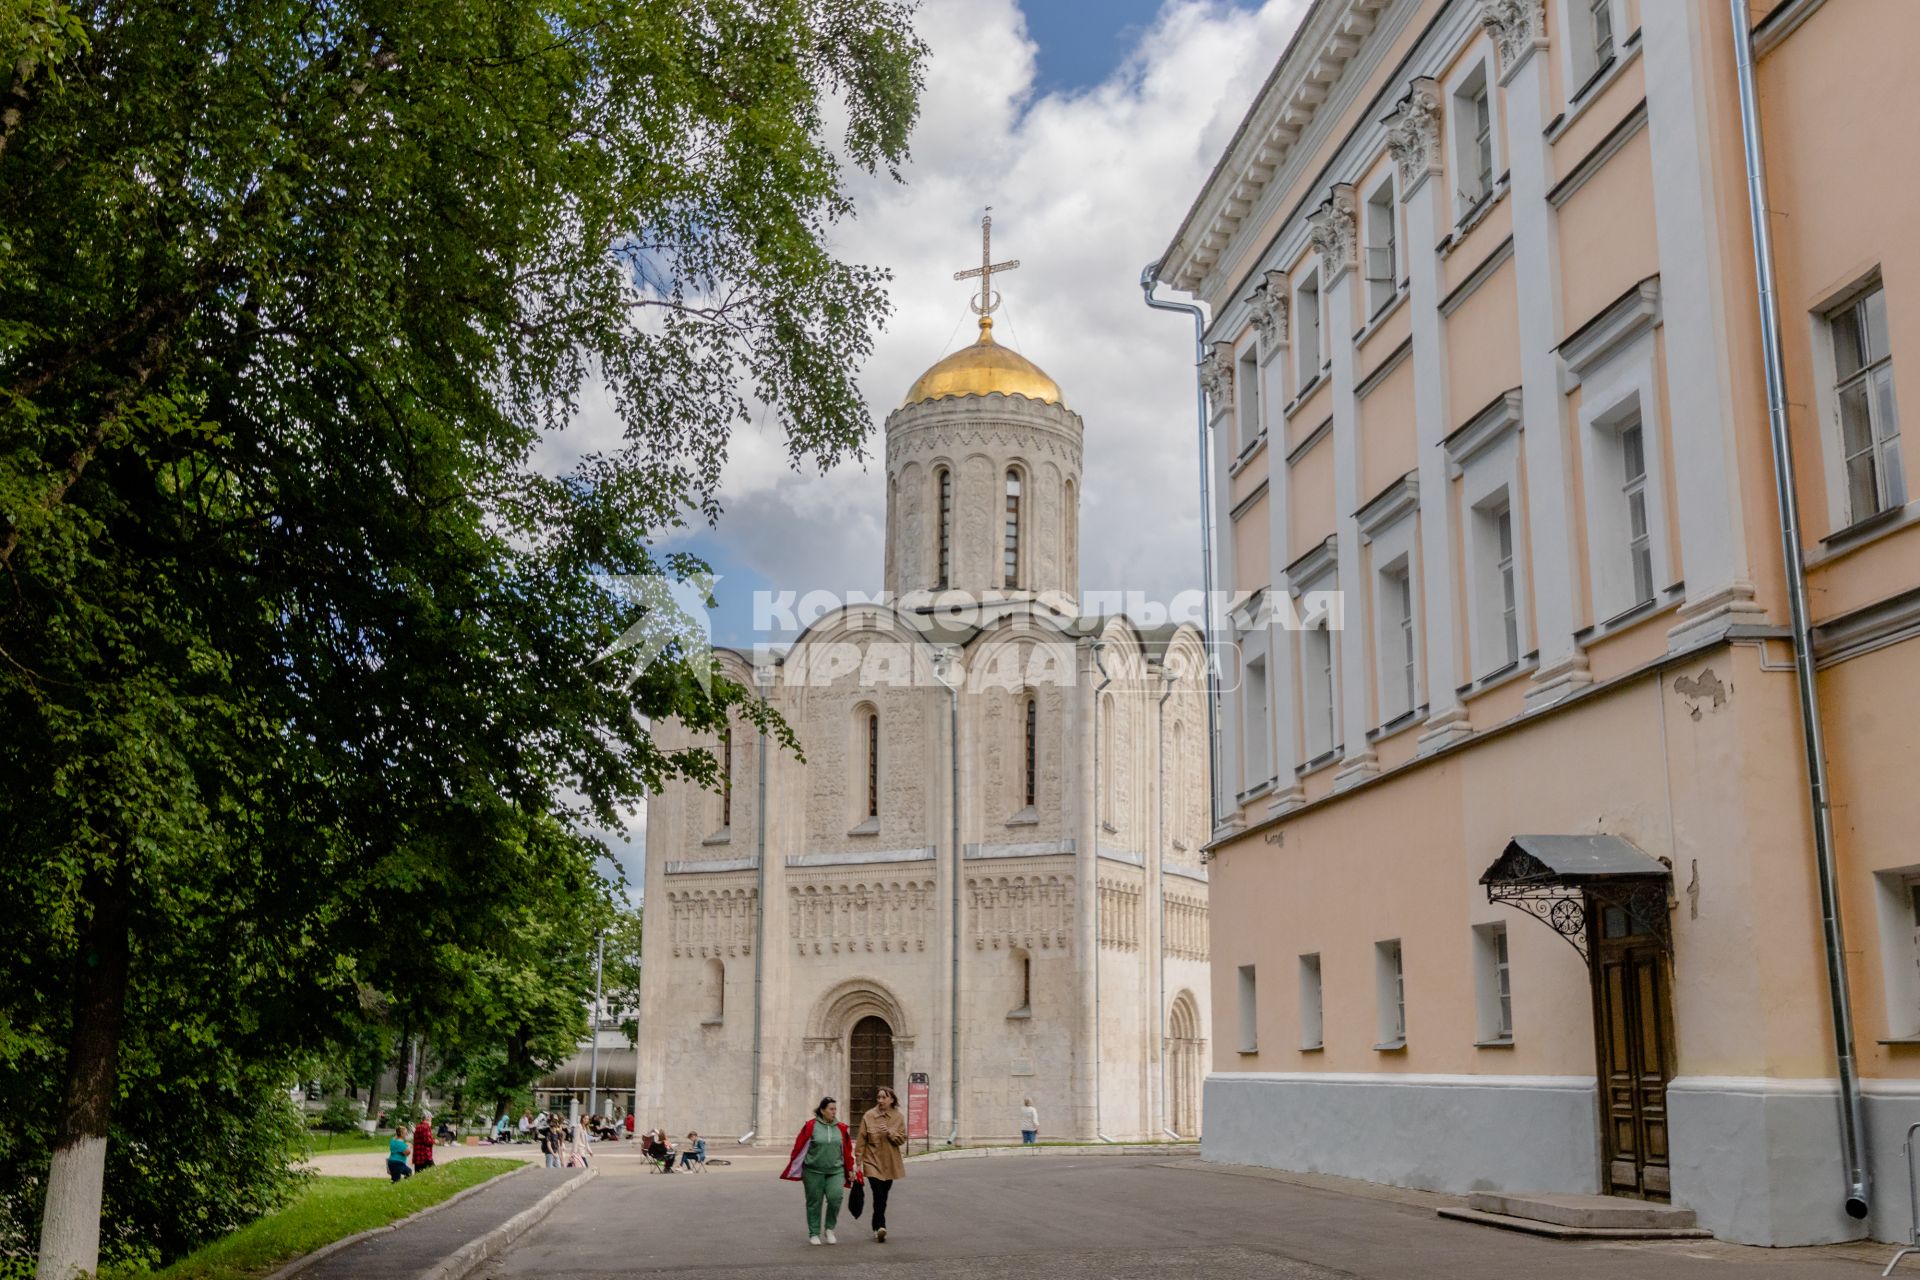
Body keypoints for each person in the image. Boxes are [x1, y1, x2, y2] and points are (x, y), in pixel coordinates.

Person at [780, 1096, 856, 1246]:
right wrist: (796, 1165)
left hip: (835, 1170)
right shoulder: (811, 1126)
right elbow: (799, 1146)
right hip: (813, 1171)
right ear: (822, 1110)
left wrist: (850, 1168)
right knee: (814, 1202)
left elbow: (846, 1150)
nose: (834, 1112)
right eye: (831, 1109)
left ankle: (829, 1229)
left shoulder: (840, 1128)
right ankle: (814, 1233)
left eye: (835, 1109)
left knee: (836, 1198)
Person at [856, 1086, 907, 1243]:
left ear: (891, 1100)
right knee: (878, 1194)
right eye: (878, 1097)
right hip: (872, 1162)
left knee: (883, 1196)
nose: (880, 1100)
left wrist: (890, 1132)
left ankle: (876, 1225)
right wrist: (858, 1160)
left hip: (890, 1163)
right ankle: (880, 1227)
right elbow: (861, 1139)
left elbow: (902, 1139)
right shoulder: (869, 1116)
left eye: (884, 1097)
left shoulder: (898, 1117)